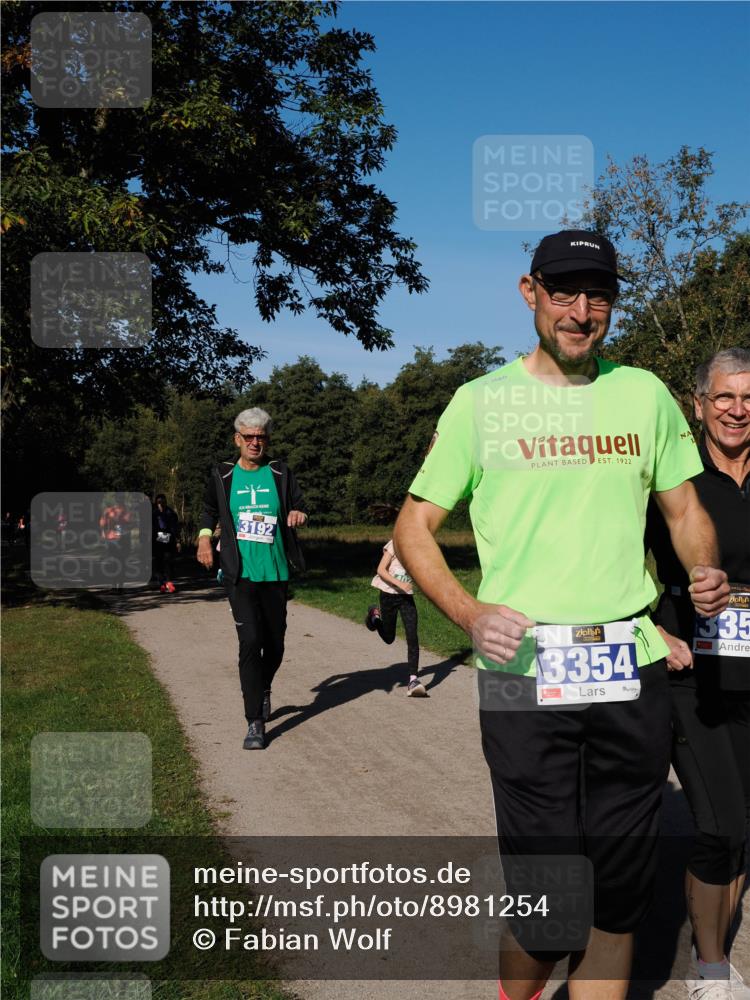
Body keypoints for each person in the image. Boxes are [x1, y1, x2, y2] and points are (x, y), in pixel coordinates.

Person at [393, 229, 730, 1000]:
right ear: (529, 292)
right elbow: (413, 529)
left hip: (628, 665)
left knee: (617, 897)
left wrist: (703, 565)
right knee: (549, 904)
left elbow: (683, 510)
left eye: (599, 295)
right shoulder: (480, 403)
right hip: (522, 674)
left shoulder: (642, 393)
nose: (582, 312)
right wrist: (468, 614)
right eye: (564, 293)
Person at [646, 348, 750, 1000]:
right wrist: (649, 628)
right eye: (725, 398)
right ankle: (711, 966)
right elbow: (618, 559)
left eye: (749, 399)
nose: (738, 410)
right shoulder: (674, 483)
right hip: (692, 676)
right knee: (721, 825)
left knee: (745, 827)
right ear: (699, 404)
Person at [196, 407, 307, 751]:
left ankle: (264, 687)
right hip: (239, 572)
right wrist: (203, 539)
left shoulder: (280, 473)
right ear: (237, 439)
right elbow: (208, 510)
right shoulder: (223, 475)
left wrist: (297, 513)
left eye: (261, 436)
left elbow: (300, 506)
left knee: (274, 643)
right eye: (249, 436)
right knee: (249, 642)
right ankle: (254, 722)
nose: (255, 442)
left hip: (275, 571)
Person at [365, 538, 426, 697]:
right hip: (388, 596)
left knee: (412, 636)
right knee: (389, 638)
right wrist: (400, 584)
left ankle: (413, 680)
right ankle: (374, 617)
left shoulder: (419, 545)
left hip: (406, 598)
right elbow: (381, 570)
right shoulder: (395, 544)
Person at [152, 494, 180, 593]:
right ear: (156, 503)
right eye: (159, 502)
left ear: (166, 502)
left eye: (162, 502)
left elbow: (175, 528)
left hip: (169, 541)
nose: (161, 504)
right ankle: (162, 584)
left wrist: (177, 541)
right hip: (155, 543)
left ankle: (169, 582)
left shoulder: (171, 513)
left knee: (168, 561)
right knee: (158, 563)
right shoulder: (153, 514)